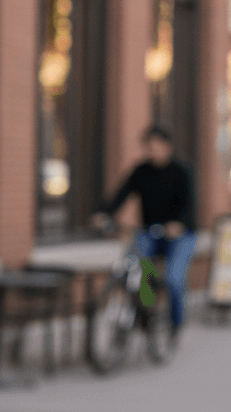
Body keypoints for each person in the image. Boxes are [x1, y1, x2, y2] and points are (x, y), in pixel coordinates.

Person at [92, 125, 196, 335]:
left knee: (174, 279)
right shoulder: (141, 171)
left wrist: (179, 224)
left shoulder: (182, 171)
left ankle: (176, 322)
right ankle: (146, 311)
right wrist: (104, 213)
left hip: (179, 235)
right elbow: (122, 194)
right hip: (150, 231)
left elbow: (190, 205)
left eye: (155, 146)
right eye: (147, 147)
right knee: (139, 267)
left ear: (167, 147)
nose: (151, 151)